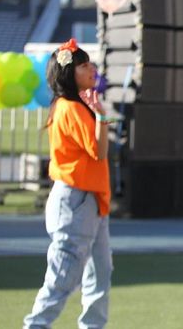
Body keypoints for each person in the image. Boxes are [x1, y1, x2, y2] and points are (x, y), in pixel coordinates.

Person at [24, 39, 112, 329]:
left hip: (86, 200)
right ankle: (35, 325)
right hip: (77, 200)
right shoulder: (71, 107)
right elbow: (98, 151)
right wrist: (100, 115)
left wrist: (99, 114)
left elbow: (97, 151)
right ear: (69, 73)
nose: (91, 69)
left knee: (99, 274)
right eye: (84, 65)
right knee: (64, 277)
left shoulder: (74, 106)